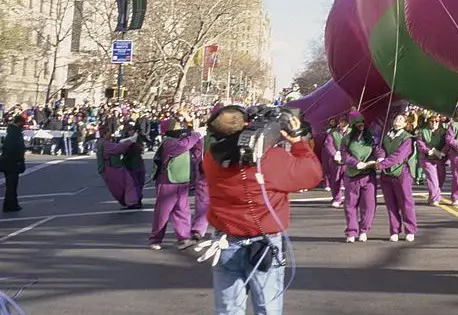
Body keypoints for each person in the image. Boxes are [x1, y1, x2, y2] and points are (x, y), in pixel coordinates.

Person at [203, 105, 323, 315]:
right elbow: (311, 174)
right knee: (267, 308)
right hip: (265, 244)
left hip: (227, 241)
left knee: (228, 310)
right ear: (248, 127)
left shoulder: (211, 160)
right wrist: (298, 142)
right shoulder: (271, 160)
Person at [149, 117, 203, 249]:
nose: (181, 127)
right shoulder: (169, 142)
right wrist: (196, 135)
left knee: (182, 211)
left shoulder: (182, 140)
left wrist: (199, 140)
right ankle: (155, 239)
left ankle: (183, 237)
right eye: (178, 125)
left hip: (182, 181)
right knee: (163, 212)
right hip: (167, 181)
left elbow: (196, 153)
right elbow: (183, 146)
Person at [376, 112, 417, 242]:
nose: (397, 120)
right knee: (390, 203)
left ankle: (410, 230)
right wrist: (380, 156)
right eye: (396, 118)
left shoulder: (407, 138)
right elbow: (379, 148)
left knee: (405, 202)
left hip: (401, 173)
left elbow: (399, 156)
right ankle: (394, 230)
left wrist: (381, 164)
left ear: (406, 124)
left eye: (401, 119)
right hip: (386, 174)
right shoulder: (386, 135)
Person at [339, 110, 378, 242]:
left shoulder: (371, 138)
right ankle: (351, 231)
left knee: (369, 205)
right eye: (357, 122)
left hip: (368, 176)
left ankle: (364, 230)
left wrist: (380, 158)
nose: (361, 124)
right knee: (350, 205)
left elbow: (378, 150)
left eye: (362, 122)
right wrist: (356, 163)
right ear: (352, 124)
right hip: (352, 176)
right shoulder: (346, 139)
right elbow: (345, 155)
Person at [415, 114, 447, 206]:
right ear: (428, 122)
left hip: (440, 158)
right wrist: (431, 151)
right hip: (427, 159)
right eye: (432, 121)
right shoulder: (422, 132)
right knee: (433, 179)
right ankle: (434, 199)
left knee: (440, 178)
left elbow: (448, 143)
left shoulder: (444, 132)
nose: (434, 123)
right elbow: (421, 145)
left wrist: (442, 152)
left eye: (436, 121)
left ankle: (432, 195)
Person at [1, 114, 26, 212]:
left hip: (10, 162)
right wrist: (18, 159)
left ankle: (10, 204)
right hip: (12, 162)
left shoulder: (13, 132)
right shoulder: (14, 134)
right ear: (19, 122)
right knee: (11, 185)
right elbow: (12, 148)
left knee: (11, 185)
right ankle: (10, 204)